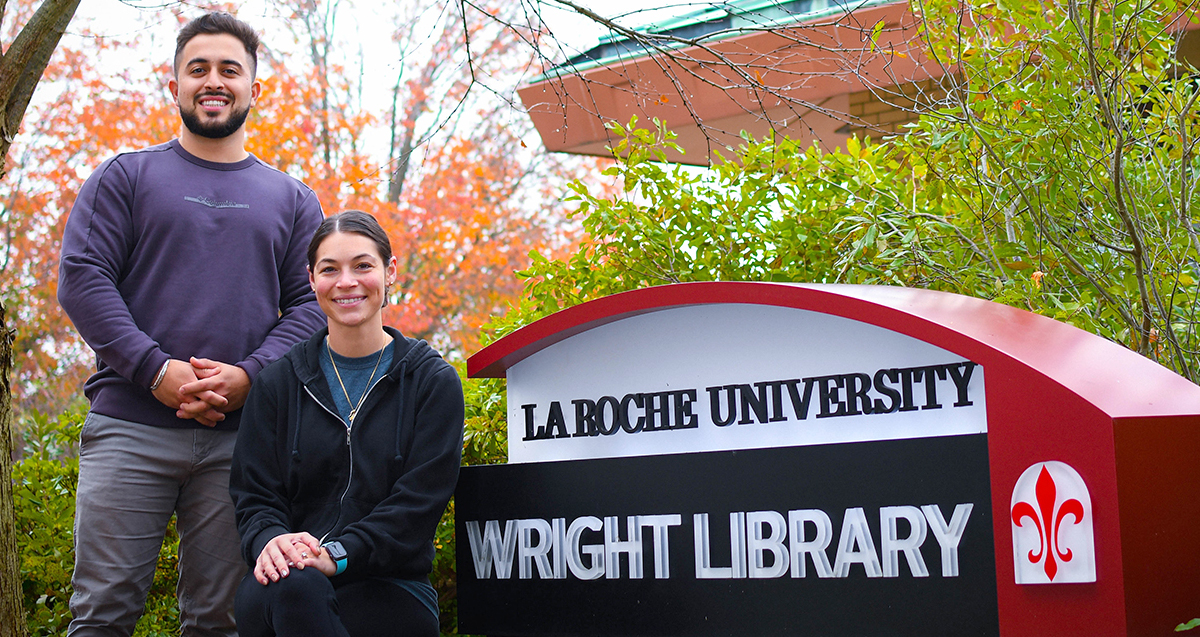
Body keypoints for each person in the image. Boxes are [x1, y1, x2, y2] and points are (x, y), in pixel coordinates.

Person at [56, 12, 326, 636]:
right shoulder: (126, 177)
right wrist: (156, 371)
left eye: (230, 69)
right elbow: (83, 278)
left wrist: (249, 377)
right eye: (197, 68)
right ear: (173, 83)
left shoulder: (290, 198)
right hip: (130, 428)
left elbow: (310, 307)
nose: (213, 80)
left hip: (242, 442)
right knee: (101, 616)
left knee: (220, 622)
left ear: (255, 87)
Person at [229, 210, 465, 637]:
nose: (346, 282)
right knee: (297, 589)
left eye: (362, 265)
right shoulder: (277, 384)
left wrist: (337, 554)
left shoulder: (431, 384)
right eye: (329, 269)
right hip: (286, 578)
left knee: (307, 597)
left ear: (389, 271)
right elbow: (254, 495)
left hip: (391, 583)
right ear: (311, 279)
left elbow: (417, 506)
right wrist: (273, 541)